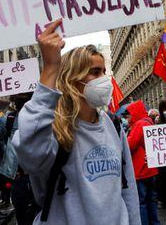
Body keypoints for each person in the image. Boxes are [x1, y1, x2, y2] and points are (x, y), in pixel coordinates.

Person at [12, 19, 140, 224]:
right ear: (73, 78)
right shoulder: (53, 128)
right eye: (95, 72)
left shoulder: (114, 126)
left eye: (103, 72)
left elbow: (128, 190)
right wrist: (50, 69)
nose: (104, 79)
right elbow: (30, 152)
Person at [0, 93, 39, 224]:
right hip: (18, 179)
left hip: (40, 176)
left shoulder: (43, 116)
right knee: (22, 217)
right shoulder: (8, 119)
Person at [125, 101, 160, 225]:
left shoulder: (139, 124)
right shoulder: (148, 122)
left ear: (135, 113)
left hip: (141, 170)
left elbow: (129, 145)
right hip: (151, 169)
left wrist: (125, 137)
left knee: (142, 202)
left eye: (129, 115)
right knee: (151, 200)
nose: (128, 118)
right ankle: (155, 222)